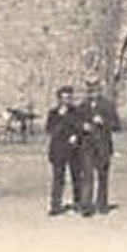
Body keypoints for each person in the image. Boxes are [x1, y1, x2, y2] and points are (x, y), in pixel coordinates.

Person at [79, 77, 120, 216]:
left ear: (99, 90)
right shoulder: (82, 106)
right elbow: (75, 124)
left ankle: (102, 204)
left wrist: (104, 122)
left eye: (95, 90)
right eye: (90, 90)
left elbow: (116, 125)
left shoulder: (108, 105)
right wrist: (82, 126)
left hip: (103, 145)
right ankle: (86, 206)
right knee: (87, 175)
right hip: (87, 146)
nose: (92, 93)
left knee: (103, 176)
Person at [45, 85, 84, 215]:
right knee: (58, 178)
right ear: (59, 99)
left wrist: (76, 136)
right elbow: (50, 130)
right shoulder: (53, 113)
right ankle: (55, 205)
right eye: (64, 98)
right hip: (58, 150)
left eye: (69, 97)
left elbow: (80, 128)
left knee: (76, 177)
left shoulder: (76, 112)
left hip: (74, 150)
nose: (67, 100)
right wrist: (60, 117)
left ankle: (78, 202)